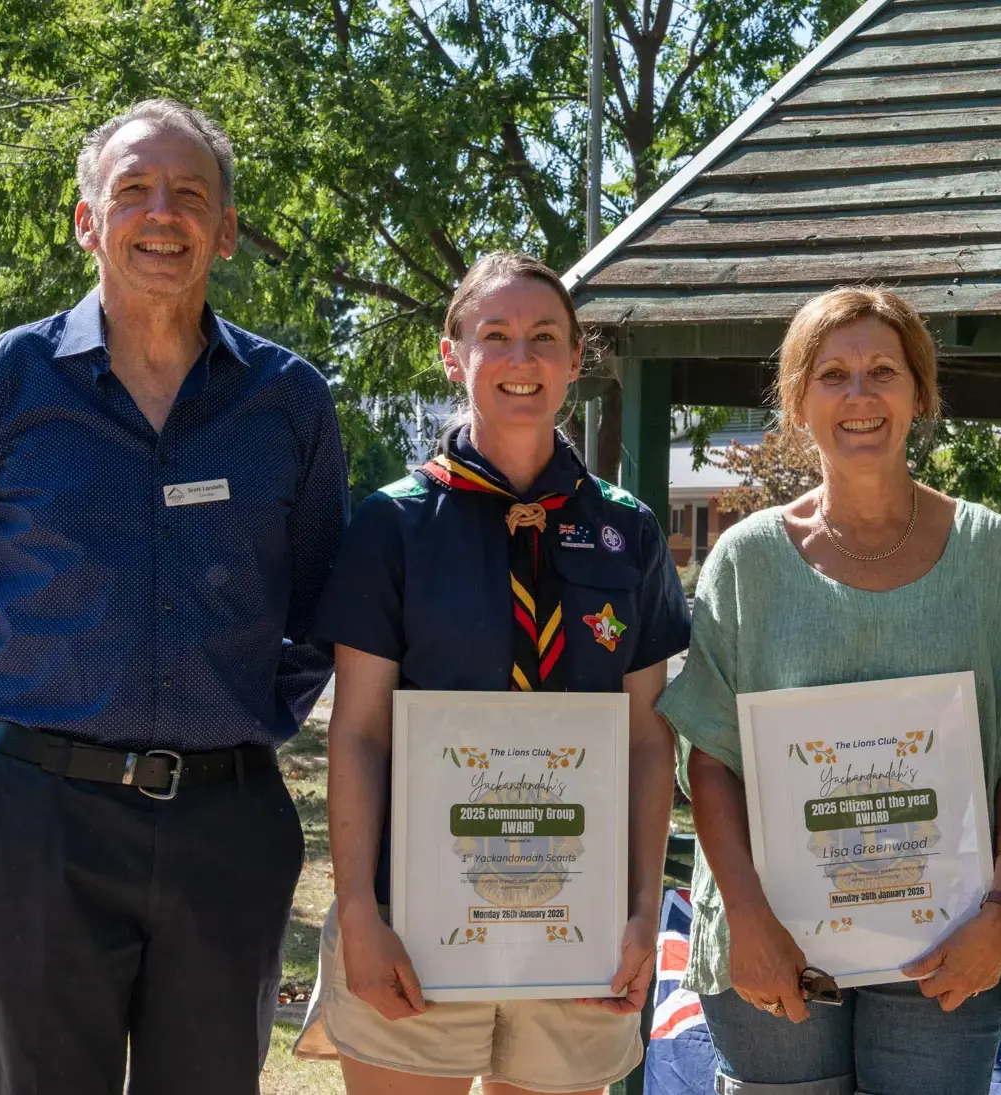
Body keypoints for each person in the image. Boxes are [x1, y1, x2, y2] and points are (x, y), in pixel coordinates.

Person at [0, 99, 347, 1094]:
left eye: (190, 194)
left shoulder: (288, 403)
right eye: (133, 190)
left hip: (227, 829)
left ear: (226, 230)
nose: (162, 214)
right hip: (36, 826)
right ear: (87, 221)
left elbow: (326, 610)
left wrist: (251, 717)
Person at [659, 287, 1001, 1095]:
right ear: (796, 400)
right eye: (833, 375)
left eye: (883, 371)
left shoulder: (990, 552)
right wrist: (746, 919)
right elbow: (709, 757)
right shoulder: (745, 561)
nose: (860, 395)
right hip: (773, 932)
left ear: (919, 394)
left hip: (950, 936)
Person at [292, 252, 690, 1095]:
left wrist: (640, 907)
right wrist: (358, 909)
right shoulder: (394, 524)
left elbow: (649, 740)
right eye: (496, 335)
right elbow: (359, 732)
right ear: (453, 355)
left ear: (575, 358)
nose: (521, 358)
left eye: (544, 337)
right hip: (413, 916)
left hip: (578, 922)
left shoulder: (628, 531)